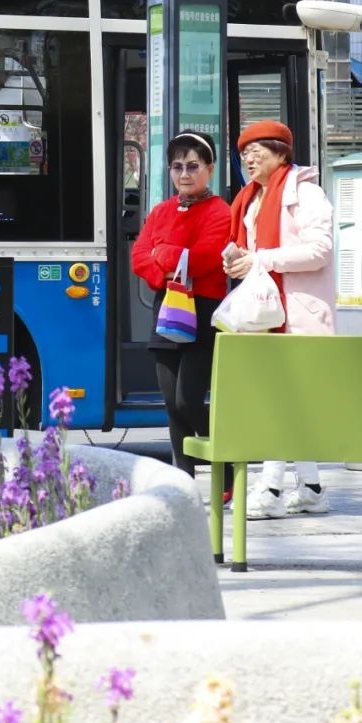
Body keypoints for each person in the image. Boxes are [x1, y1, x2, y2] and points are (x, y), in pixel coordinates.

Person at [224, 119, 336, 519]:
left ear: (280, 152)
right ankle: (312, 489)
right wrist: (238, 259)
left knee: (280, 400)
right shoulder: (250, 199)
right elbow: (251, 250)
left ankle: (270, 489)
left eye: (256, 152)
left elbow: (320, 250)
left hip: (298, 314)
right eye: (243, 154)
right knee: (288, 401)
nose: (248, 160)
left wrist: (261, 259)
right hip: (267, 312)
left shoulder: (305, 192)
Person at [131, 131, 232, 484]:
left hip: (203, 311)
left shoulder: (221, 211)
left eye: (193, 166)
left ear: (210, 168)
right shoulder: (161, 211)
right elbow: (138, 257)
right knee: (172, 406)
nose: (184, 174)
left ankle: (228, 464)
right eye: (177, 167)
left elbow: (206, 259)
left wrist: (163, 253)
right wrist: (168, 265)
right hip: (168, 307)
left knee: (188, 400)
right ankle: (183, 483)